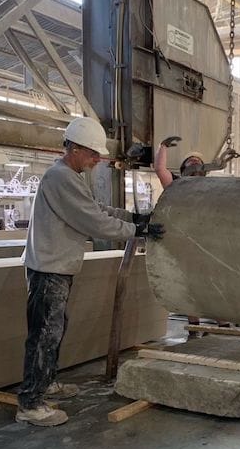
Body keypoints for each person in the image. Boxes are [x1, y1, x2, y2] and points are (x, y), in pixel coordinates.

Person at [17, 116, 164, 427]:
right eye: (93, 153)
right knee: (44, 334)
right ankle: (31, 403)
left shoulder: (71, 176)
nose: (98, 159)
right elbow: (92, 221)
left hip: (56, 266)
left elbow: (98, 209)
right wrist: (137, 230)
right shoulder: (61, 178)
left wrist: (135, 217)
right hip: (48, 269)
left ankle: (47, 381)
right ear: (74, 149)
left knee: (54, 329)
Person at [153, 136, 215, 336]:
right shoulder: (176, 186)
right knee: (188, 286)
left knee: (214, 283)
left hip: (208, 242)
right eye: (191, 162)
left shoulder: (212, 189)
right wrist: (162, 148)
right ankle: (194, 327)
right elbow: (160, 170)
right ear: (183, 168)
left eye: (198, 163)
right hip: (185, 243)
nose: (195, 164)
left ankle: (222, 325)